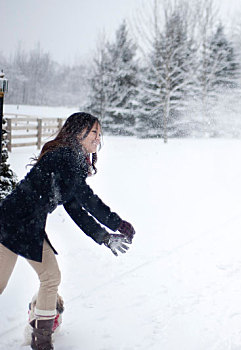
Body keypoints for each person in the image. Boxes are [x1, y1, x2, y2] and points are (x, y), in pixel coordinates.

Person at [0, 112, 136, 350]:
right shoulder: (64, 156)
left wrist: (104, 236)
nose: (97, 138)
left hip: (29, 227)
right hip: (9, 223)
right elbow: (87, 199)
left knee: (51, 276)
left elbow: (76, 209)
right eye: (93, 132)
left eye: (99, 133)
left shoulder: (72, 160)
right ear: (77, 131)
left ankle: (41, 341)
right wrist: (116, 223)